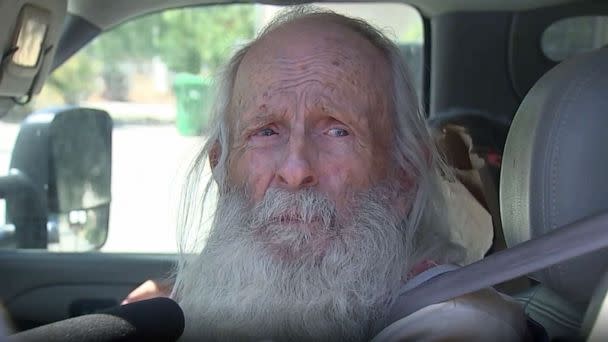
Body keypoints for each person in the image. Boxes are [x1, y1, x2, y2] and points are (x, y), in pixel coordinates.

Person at [126, 7, 529, 341]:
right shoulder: (226, 300)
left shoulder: (457, 325)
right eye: (266, 131)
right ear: (221, 169)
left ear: (403, 177)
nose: (296, 168)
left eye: (337, 130)